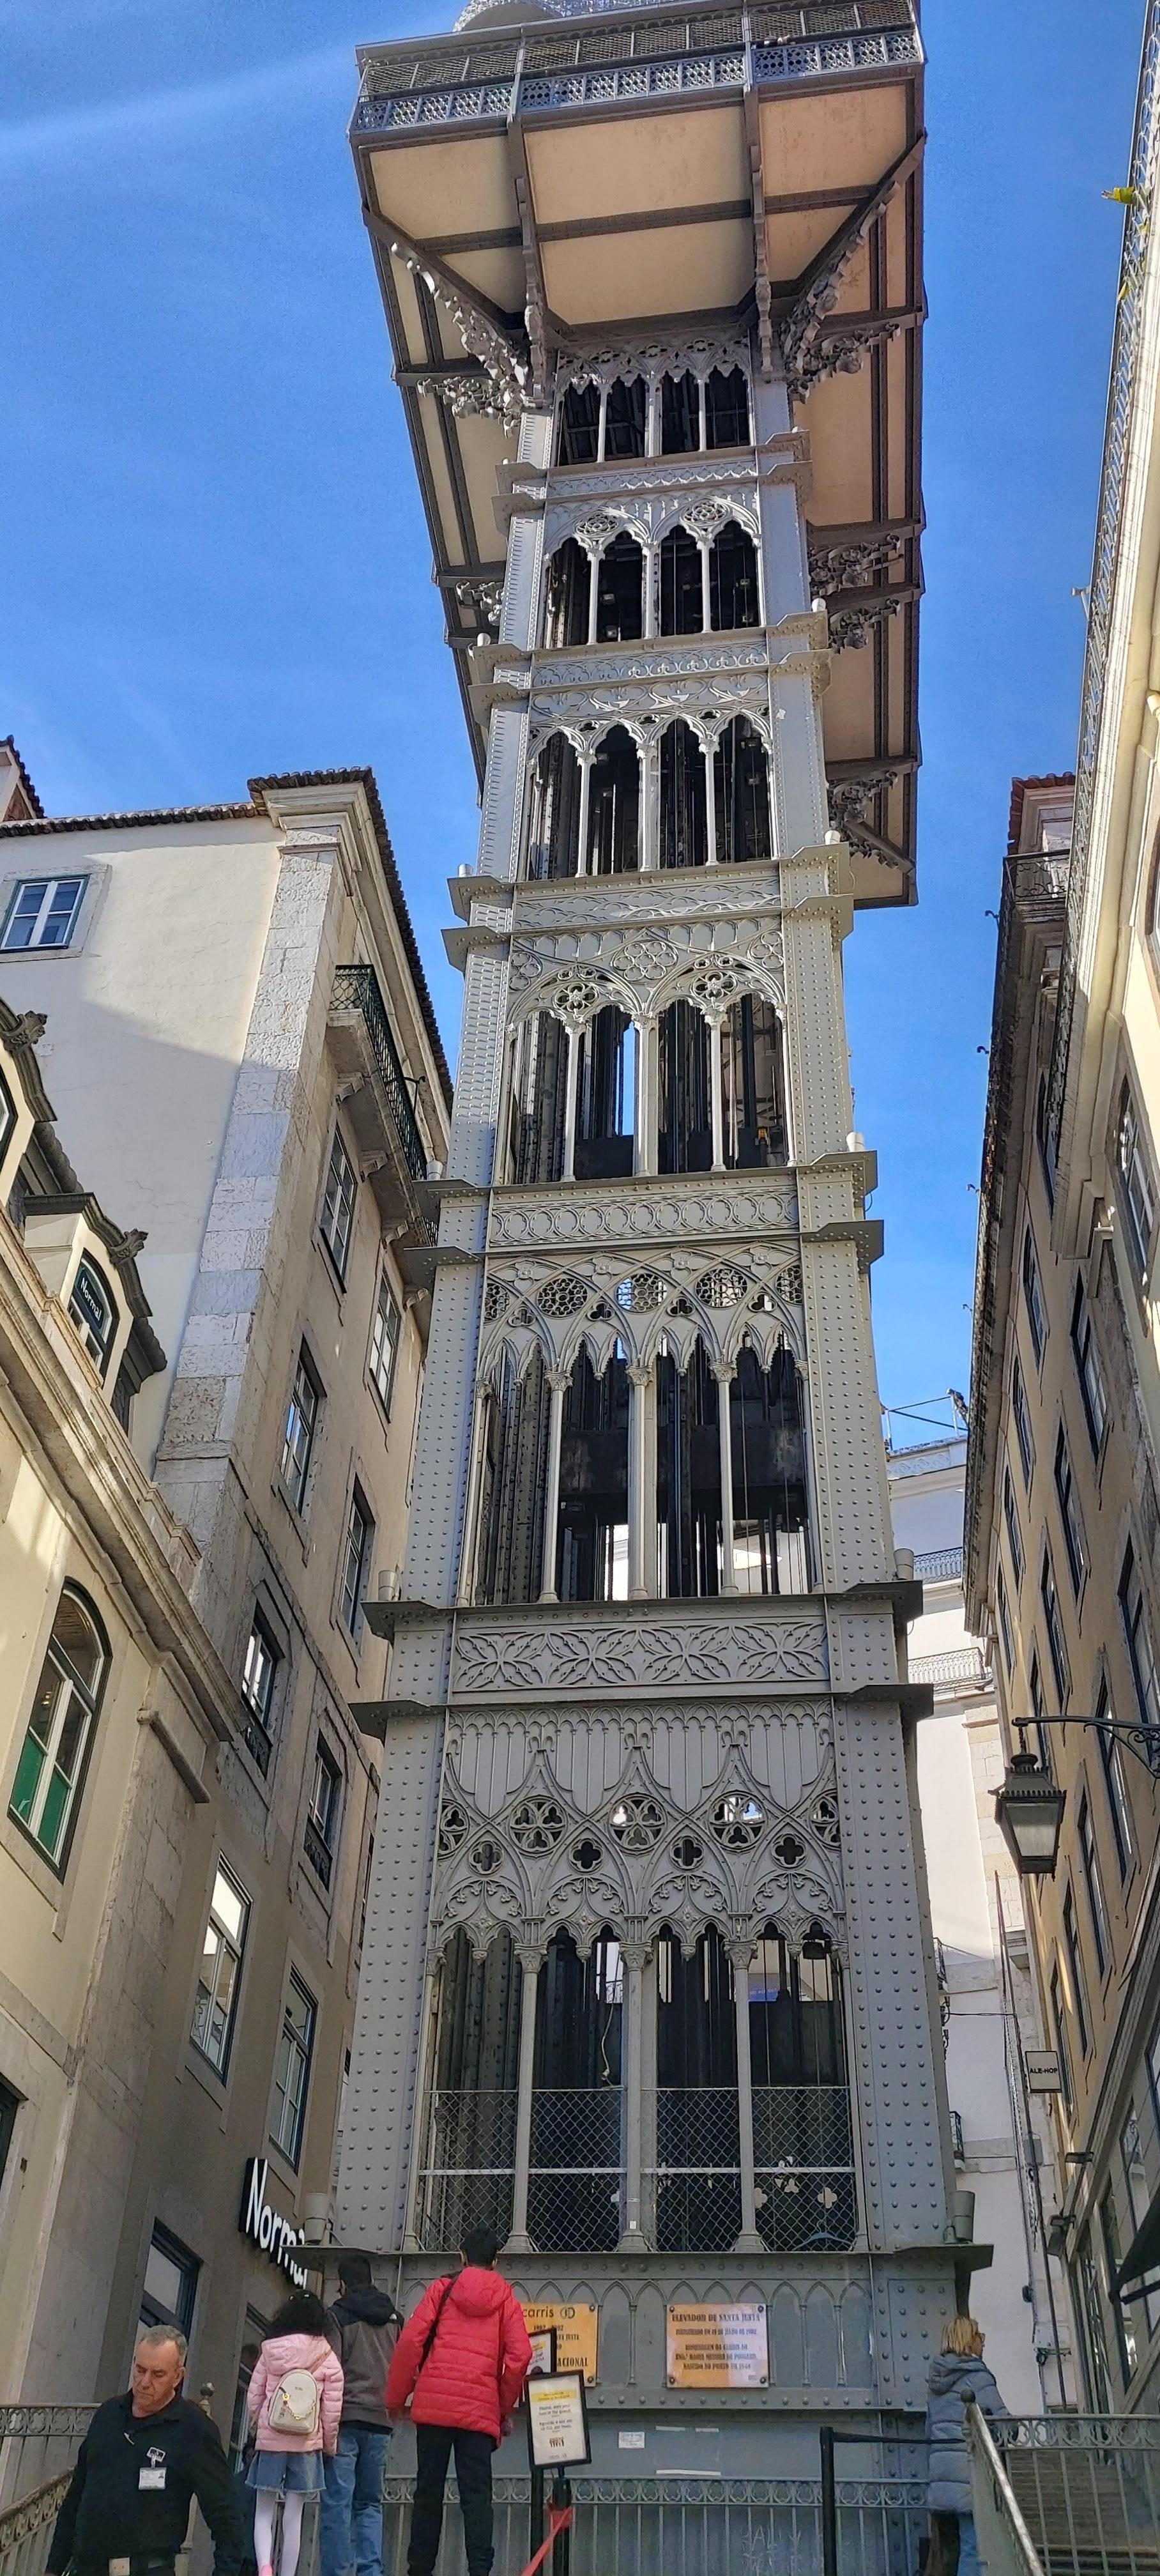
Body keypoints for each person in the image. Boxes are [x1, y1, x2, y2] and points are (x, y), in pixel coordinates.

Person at [386, 2223, 532, 2576]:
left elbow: (410, 2343)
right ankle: (480, 2570)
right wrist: (501, 2409)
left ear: (462, 2257)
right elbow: (520, 2356)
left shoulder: (442, 2290)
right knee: (477, 2499)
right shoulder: (507, 2300)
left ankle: (419, 2569)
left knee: (428, 2493)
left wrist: (396, 2398)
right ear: (496, 2262)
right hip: (478, 2416)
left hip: (435, 2409)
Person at [47, 2325, 243, 2576]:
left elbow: (227, 2519)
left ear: (177, 2376)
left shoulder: (194, 2430)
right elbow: (75, 2498)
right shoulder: (109, 2415)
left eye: (158, 2374)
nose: (144, 2382)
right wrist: (53, 2568)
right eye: (140, 2370)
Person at [246, 2290, 344, 2576]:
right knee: (293, 2515)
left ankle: (265, 2567)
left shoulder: (270, 2350)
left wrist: (258, 2422)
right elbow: (332, 2410)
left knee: (263, 2511)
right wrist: (329, 2445)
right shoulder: (327, 2355)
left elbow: (254, 2397)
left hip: (271, 2439)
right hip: (306, 2443)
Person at [320, 2255, 401, 2576]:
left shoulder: (336, 2316)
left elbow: (330, 2370)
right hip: (381, 2422)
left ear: (342, 2284)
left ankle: (337, 2572)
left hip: (346, 2420)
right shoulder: (396, 2319)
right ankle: (371, 2571)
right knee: (369, 2503)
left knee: (337, 2504)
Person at [926, 2315, 1009, 2576]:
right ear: (968, 2342)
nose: (982, 2342)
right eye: (978, 2336)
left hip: (942, 2474)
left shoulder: (936, 2381)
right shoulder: (977, 2375)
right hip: (969, 2471)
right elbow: (1006, 2424)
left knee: (962, 2545)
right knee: (975, 2546)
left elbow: (930, 2428)